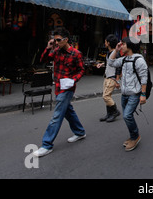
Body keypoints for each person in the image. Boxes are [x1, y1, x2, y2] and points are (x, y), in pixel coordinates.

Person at [33, 28, 86, 158]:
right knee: (68, 111)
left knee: (56, 116)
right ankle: (80, 132)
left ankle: (47, 145)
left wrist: (73, 80)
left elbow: (81, 70)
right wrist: (48, 47)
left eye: (58, 40)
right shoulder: (56, 51)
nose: (56, 42)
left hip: (67, 89)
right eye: (55, 40)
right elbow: (43, 60)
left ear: (66, 40)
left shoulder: (76, 53)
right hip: (57, 86)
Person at [108, 37, 148, 152]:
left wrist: (143, 94)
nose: (121, 46)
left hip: (134, 94)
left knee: (126, 116)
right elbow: (111, 63)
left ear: (130, 46)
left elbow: (144, 78)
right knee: (127, 117)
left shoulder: (139, 60)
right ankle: (133, 136)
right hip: (124, 94)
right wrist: (115, 50)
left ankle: (135, 137)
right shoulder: (124, 59)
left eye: (123, 44)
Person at [96, 34, 121, 122]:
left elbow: (119, 67)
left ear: (108, 43)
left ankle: (115, 111)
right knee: (107, 95)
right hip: (107, 77)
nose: (104, 43)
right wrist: (102, 64)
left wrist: (117, 80)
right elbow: (109, 62)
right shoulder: (109, 52)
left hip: (112, 78)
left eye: (105, 41)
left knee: (106, 96)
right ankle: (109, 114)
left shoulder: (116, 54)